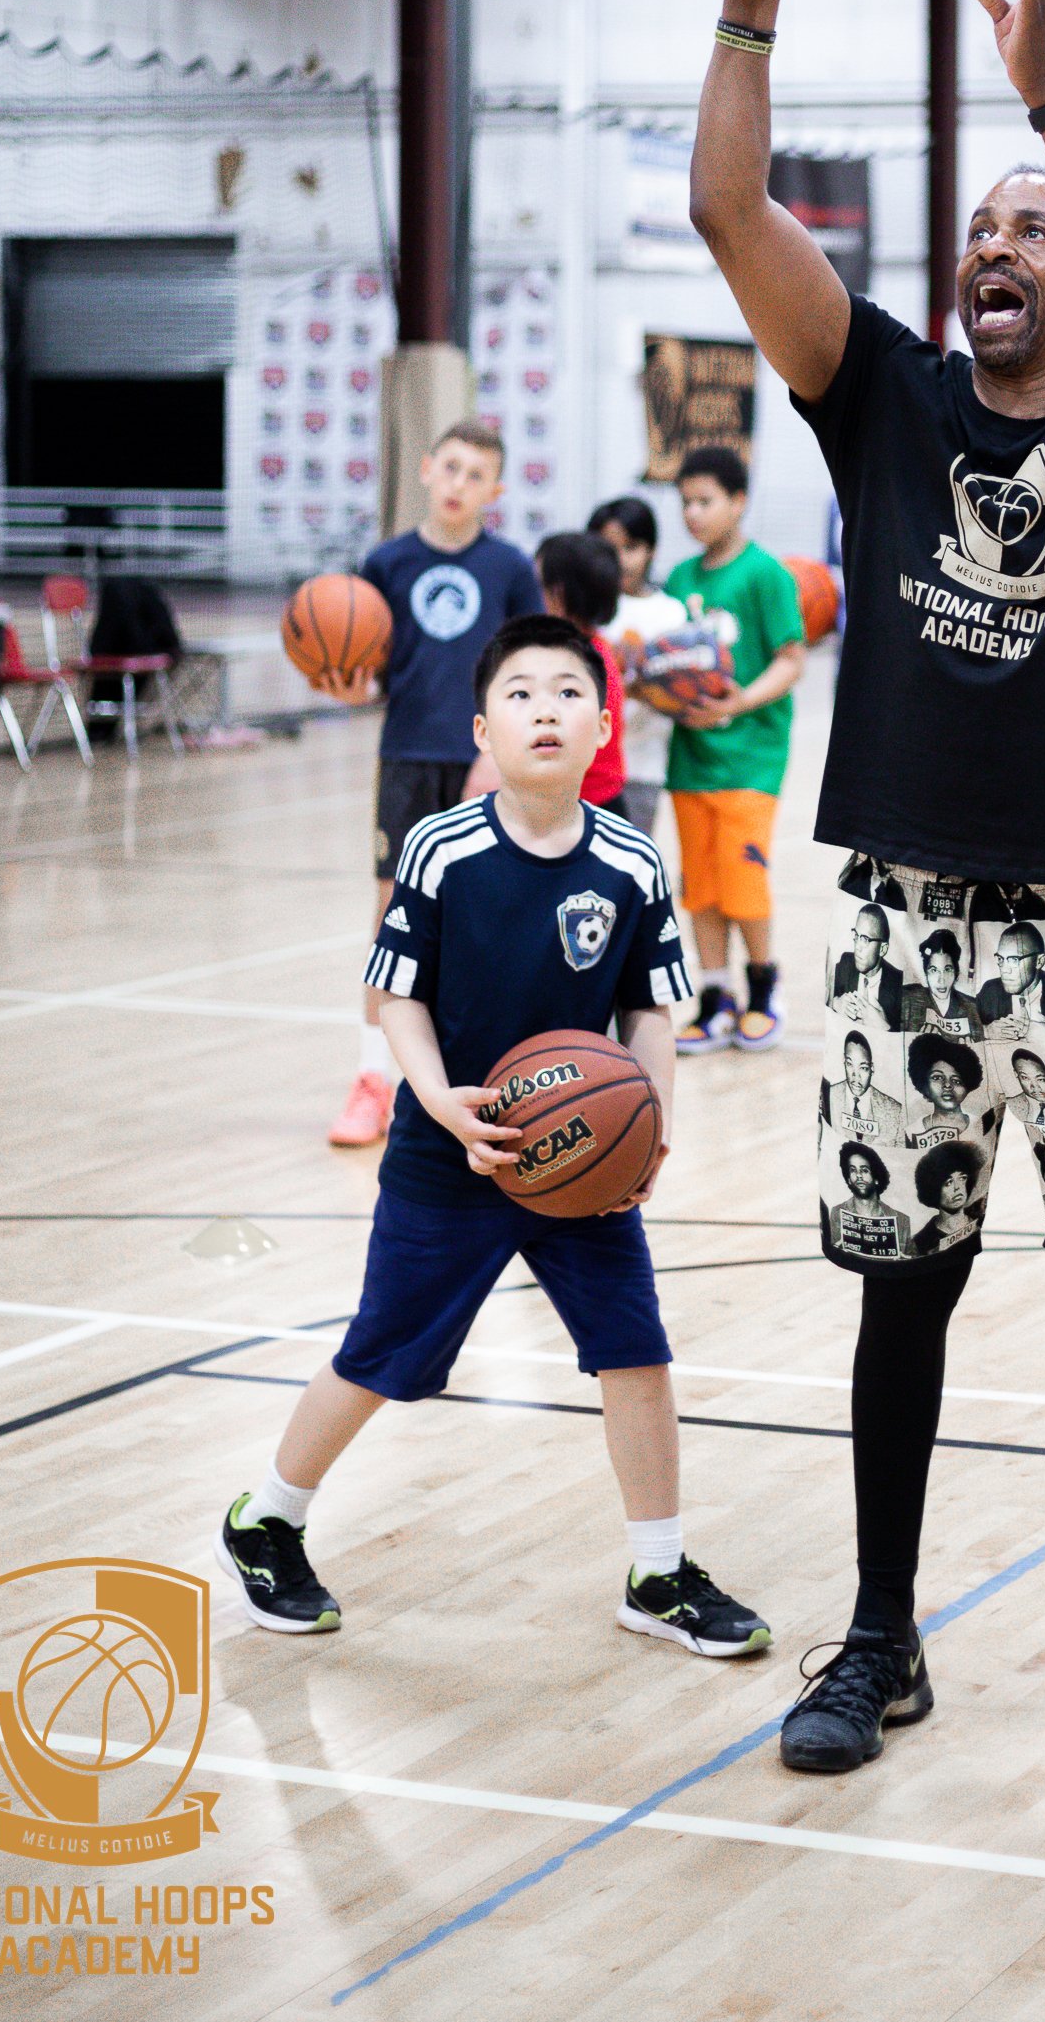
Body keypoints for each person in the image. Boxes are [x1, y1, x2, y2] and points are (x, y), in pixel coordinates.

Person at [625, 0, 1045, 1810]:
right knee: (906, 1290)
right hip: (903, 924)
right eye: (983, 224)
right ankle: (883, 1637)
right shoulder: (884, 401)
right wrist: (756, 5)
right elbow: (732, 215)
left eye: (1033, 232)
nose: (1002, 244)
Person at [216, 613, 769, 1662]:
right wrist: (436, 1099)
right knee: (384, 1356)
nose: (546, 708)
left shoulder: (632, 862)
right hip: (449, 1152)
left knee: (636, 1349)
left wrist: (649, 1126)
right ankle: (267, 1518)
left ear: (604, 727)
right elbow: (394, 999)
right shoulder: (442, 848)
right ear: (484, 728)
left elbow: (652, 1011)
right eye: (520, 694)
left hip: (579, 1157)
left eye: (568, 691)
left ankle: (657, 1570)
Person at [327, 420, 544, 1150]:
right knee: (392, 917)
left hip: (485, 759)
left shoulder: (510, 568)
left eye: (475, 475)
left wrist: (502, 751)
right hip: (407, 757)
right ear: (425, 469)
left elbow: (526, 671)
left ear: (497, 489)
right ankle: (372, 1081)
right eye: (449, 468)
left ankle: (485, 1079)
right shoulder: (386, 564)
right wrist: (347, 682)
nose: (458, 484)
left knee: (484, 919)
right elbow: (368, 672)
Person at [662, 445, 808, 1055]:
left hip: (750, 756)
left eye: (705, 501)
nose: (693, 513)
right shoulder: (678, 579)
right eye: (686, 502)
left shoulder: (765, 574)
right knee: (699, 887)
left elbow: (791, 660)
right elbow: (665, 665)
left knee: (743, 880)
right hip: (690, 758)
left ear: (738, 502)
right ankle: (714, 996)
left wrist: (736, 703)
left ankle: (762, 987)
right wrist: (663, 696)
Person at [589, 495, 685, 836]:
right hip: (586, 769)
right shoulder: (587, 612)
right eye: (607, 548)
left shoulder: (671, 613)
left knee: (629, 871)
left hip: (642, 766)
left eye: (631, 547)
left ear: (652, 550)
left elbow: (679, 692)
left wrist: (636, 688)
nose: (619, 560)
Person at [536, 530, 628, 811]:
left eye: (538, 583)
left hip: (589, 805)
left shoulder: (583, 660)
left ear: (561, 593)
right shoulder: (589, 649)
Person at [976, 921, 1045, 1041]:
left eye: (1014, 960)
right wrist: (985, 1031)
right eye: (1000, 959)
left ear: (1039, 961)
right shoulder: (990, 991)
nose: (1005, 970)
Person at [828, 1141, 910, 1261]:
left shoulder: (902, 1220)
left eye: (864, 1170)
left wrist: (906, 1261)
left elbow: (913, 1258)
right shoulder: (837, 1213)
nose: (859, 1175)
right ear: (849, 1180)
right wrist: (835, 1250)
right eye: (853, 1170)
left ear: (876, 1178)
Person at [830, 900, 904, 1030]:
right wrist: (835, 1003)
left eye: (865, 939)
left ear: (882, 949)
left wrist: (885, 1027)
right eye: (856, 935)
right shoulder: (845, 963)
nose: (857, 946)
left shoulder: (898, 984)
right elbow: (824, 997)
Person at [904, 1032, 983, 1149]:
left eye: (956, 1081)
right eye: (937, 1078)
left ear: (967, 1086)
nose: (947, 1085)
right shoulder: (911, 1132)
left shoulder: (981, 1126)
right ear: (924, 1084)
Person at [826, 1030, 906, 1146]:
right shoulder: (829, 1096)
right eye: (850, 1064)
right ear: (844, 1062)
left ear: (872, 1068)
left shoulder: (894, 1111)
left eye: (863, 1068)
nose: (855, 1076)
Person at [898, 927, 984, 1034]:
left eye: (947, 969)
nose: (941, 980)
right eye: (934, 970)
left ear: (956, 972)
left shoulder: (972, 1008)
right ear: (926, 972)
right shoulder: (907, 999)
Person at [909, 1142, 985, 1259]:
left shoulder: (977, 1219)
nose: (957, 1187)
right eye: (948, 1182)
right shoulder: (921, 1242)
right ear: (933, 1189)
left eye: (962, 1178)